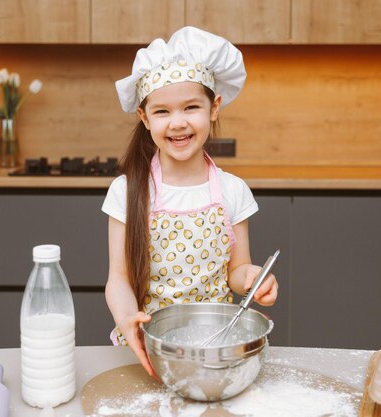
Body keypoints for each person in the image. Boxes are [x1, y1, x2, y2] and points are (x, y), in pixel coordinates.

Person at [102, 26, 278, 377]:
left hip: (217, 348)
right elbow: (118, 279)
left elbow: (236, 271)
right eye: (163, 111)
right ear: (144, 117)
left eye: (191, 107)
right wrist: (126, 319)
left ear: (214, 108)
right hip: (152, 349)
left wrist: (253, 279)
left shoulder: (232, 190)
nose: (178, 123)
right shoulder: (126, 191)